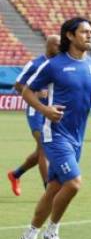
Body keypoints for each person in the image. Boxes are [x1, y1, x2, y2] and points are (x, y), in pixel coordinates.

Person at [17, 17, 91, 239]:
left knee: (54, 188)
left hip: (77, 136)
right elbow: (26, 90)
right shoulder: (54, 65)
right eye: (84, 32)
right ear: (70, 36)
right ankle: (52, 232)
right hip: (54, 133)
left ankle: (29, 235)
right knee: (74, 182)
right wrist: (45, 110)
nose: (89, 35)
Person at [7, 35, 60, 196]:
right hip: (35, 111)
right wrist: (36, 93)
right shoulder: (35, 64)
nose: (59, 48)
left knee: (40, 151)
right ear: (49, 45)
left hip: (50, 112)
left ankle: (15, 174)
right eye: (57, 45)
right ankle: (48, 190)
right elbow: (17, 85)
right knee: (44, 148)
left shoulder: (59, 65)